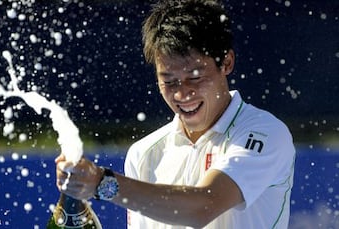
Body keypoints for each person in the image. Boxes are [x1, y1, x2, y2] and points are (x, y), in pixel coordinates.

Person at [55, 0, 296, 228]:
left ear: (227, 62)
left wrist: (102, 183)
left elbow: (203, 207)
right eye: (169, 81)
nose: (182, 94)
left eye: (195, 77)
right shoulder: (142, 154)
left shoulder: (266, 132)